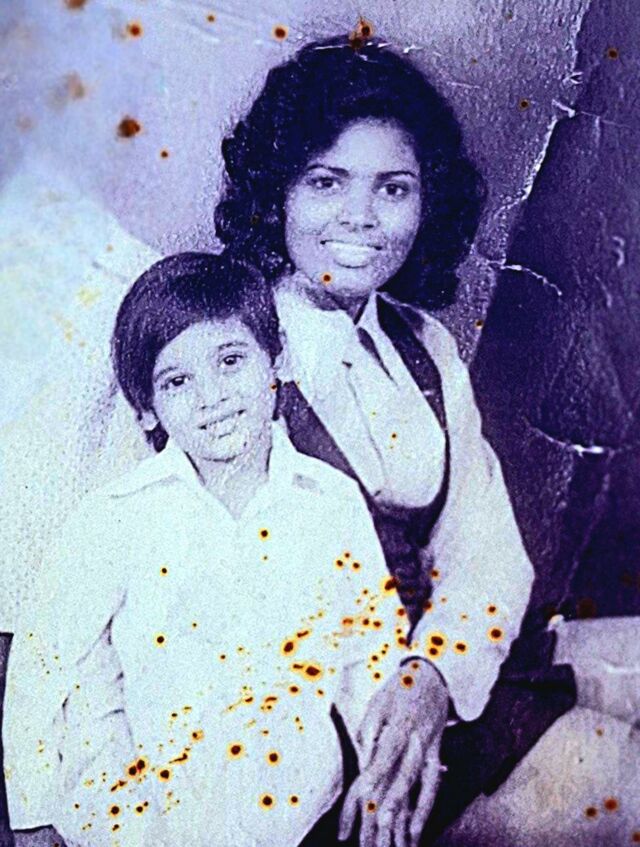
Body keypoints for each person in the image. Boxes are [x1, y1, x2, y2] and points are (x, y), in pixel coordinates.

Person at [213, 34, 539, 843]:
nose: (360, 218)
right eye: (326, 182)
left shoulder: (425, 347)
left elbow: (487, 552)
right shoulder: (223, 351)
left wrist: (432, 673)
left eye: (393, 188)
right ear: (277, 192)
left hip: (429, 694)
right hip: (299, 741)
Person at [2, 253, 436, 847]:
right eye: (177, 381)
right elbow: (41, 666)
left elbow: (371, 651)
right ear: (146, 410)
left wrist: (381, 774)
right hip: (150, 826)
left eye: (231, 361)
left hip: (300, 820)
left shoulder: (331, 503)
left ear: (276, 363)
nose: (211, 397)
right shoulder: (115, 518)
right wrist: (31, 819)